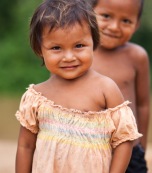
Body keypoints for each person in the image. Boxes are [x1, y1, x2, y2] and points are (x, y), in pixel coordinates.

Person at [15, 0, 142, 172]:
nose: (69, 57)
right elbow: (25, 146)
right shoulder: (37, 97)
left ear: (94, 43)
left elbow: (124, 140)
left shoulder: (106, 89)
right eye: (56, 48)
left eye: (79, 46)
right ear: (40, 50)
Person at [90, 0, 150, 172]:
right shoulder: (78, 53)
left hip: (129, 150)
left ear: (137, 24)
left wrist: (141, 145)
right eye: (106, 16)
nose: (115, 27)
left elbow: (143, 104)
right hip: (88, 149)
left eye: (126, 21)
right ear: (89, 13)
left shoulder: (137, 56)